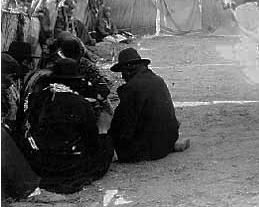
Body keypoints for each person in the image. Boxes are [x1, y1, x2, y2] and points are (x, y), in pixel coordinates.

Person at [22, 58, 114, 194]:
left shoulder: (38, 97)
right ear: (75, 81)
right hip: (70, 167)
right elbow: (92, 143)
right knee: (106, 143)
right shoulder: (81, 104)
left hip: (41, 164)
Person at [108, 48, 183, 162]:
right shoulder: (158, 80)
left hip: (148, 150)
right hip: (168, 141)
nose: (123, 77)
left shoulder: (132, 88)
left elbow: (122, 127)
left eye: (123, 72)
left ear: (129, 69)